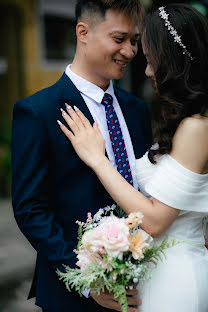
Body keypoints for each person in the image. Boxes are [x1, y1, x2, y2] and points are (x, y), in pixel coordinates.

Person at [58, 4, 208, 312]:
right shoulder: (182, 120)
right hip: (157, 275)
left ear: (174, 60)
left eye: (151, 59)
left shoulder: (196, 127)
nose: (147, 69)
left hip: (176, 279)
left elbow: (153, 220)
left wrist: (97, 159)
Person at [11, 1, 152, 312]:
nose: (129, 52)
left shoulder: (137, 110)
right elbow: (30, 209)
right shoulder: (38, 112)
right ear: (83, 32)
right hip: (75, 298)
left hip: (145, 288)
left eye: (134, 41)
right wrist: (88, 280)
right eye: (119, 39)